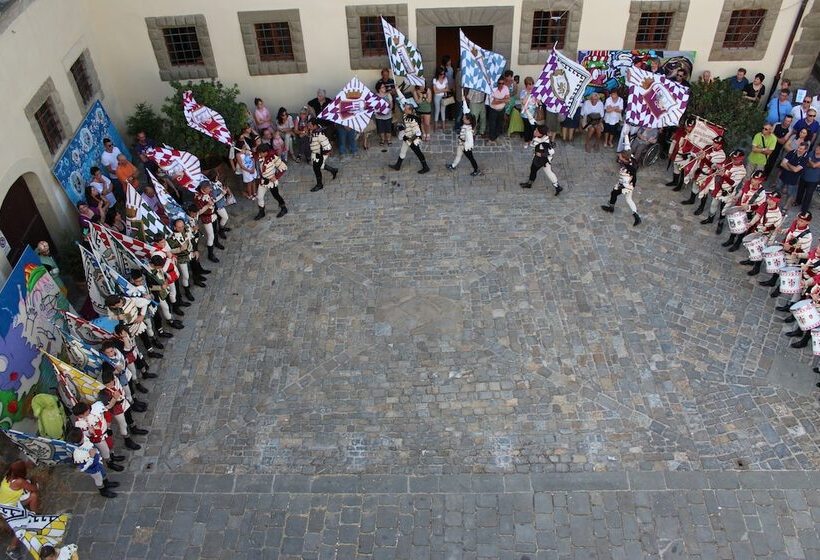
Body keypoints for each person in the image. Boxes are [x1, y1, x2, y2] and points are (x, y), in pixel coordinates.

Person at [760, 211, 812, 295]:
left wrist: (791, 248)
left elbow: (804, 253)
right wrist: (781, 231)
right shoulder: (795, 224)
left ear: (808, 222)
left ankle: (779, 290)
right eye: (798, 219)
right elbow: (789, 231)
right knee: (778, 266)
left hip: (792, 257)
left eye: (802, 221)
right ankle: (772, 281)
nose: (799, 222)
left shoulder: (807, 237)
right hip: (783, 250)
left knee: (785, 273)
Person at [697, 149, 747, 233]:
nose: (733, 160)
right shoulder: (728, 162)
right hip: (719, 188)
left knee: (723, 210)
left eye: (736, 159)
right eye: (732, 158)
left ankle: (720, 225)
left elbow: (733, 183)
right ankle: (710, 218)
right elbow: (715, 167)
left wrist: (723, 175)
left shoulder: (742, 171)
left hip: (728, 193)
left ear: (741, 159)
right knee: (713, 205)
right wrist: (710, 163)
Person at [66, 427, 119, 498]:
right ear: (81, 437)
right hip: (92, 468)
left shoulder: (82, 438)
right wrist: (91, 457)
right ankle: (103, 491)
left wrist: (89, 432)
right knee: (98, 479)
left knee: (103, 472)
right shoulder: (78, 454)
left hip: (97, 461)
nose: (83, 434)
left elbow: (86, 434)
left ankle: (106, 483)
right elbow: (83, 468)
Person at [72, 401, 125, 471]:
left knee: (110, 445)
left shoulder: (96, 408)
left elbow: (105, 413)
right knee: (105, 451)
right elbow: (82, 434)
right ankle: (109, 463)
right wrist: (89, 432)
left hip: (105, 431)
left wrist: (108, 424)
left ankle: (112, 456)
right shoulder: (79, 423)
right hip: (98, 439)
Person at [729, 191, 783, 256]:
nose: (768, 199)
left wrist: (766, 228)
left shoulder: (778, 214)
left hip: (765, 234)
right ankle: (738, 245)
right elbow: (758, 215)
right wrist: (751, 223)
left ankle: (755, 260)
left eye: (771, 199)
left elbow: (775, 226)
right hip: (756, 227)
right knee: (748, 240)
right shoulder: (764, 205)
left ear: (776, 201)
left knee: (758, 248)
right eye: (768, 198)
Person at [681, 136, 726, 205]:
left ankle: (701, 207)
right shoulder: (708, 147)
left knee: (704, 191)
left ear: (720, 145)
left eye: (716, 143)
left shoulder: (722, 155)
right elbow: (699, 155)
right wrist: (694, 154)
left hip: (708, 175)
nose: (713, 143)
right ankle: (691, 200)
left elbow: (712, 165)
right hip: (700, 170)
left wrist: (703, 157)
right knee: (695, 186)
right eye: (714, 141)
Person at [519, 124, 562, 195]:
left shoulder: (544, 142)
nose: (535, 131)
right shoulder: (541, 137)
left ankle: (557, 187)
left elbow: (551, 151)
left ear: (541, 133)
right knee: (536, 170)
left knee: (543, 171)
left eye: (536, 131)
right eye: (535, 130)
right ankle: (557, 187)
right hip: (539, 159)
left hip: (542, 160)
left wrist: (541, 154)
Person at [601, 151, 641, 226]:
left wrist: (618, 188)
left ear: (624, 159)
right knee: (627, 198)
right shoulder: (631, 158)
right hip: (630, 183)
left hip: (626, 185)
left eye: (620, 157)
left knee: (615, 193)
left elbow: (625, 183)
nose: (619, 156)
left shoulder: (626, 171)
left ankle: (611, 208)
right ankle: (636, 217)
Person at [389, 102, 429, 174]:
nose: (404, 110)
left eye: (406, 109)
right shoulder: (405, 115)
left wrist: (409, 140)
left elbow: (418, 133)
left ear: (410, 110)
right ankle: (398, 166)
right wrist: (402, 127)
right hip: (407, 137)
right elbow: (406, 126)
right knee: (403, 150)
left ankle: (425, 167)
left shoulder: (413, 120)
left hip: (413, 140)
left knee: (418, 153)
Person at [255, 143, 288, 219]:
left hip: (271, 182)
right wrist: (245, 152)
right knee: (259, 197)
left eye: (261, 153)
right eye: (259, 153)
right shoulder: (259, 155)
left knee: (276, 195)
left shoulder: (274, 158)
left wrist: (276, 177)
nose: (259, 154)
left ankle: (284, 208)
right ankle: (261, 212)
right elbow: (252, 154)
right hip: (263, 181)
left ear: (266, 152)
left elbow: (284, 167)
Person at [193, 180, 223, 263]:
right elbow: (199, 212)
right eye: (208, 188)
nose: (210, 189)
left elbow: (213, 200)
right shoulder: (198, 198)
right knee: (211, 236)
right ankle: (211, 254)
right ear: (203, 189)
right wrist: (208, 205)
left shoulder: (209, 193)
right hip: (206, 218)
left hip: (213, 214)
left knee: (215, 230)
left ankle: (216, 242)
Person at [167, 219, 196, 302]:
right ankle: (187, 291)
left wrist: (195, 250)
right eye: (179, 227)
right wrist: (179, 249)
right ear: (175, 227)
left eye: (182, 226)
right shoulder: (171, 238)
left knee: (194, 266)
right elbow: (169, 251)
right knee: (186, 275)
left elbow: (191, 238)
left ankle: (196, 279)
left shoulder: (186, 230)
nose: (181, 229)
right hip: (181, 257)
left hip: (190, 252)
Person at [665, 117, 697, 190]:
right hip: (678, 153)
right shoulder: (680, 131)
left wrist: (690, 154)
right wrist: (670, 152)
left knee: (683, 171)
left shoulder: (695, 136)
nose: (688, 128)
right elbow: (674, 142)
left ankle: (680, 185)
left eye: (690, 127)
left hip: (687, 156)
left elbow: (695, 148)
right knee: (676, 167)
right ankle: (675, 181)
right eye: (688, 126)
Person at [779, 142, 810, 209]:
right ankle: (776, 202)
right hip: (784, 175)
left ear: (805, 150)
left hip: (794, 179)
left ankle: (786, 207)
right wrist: (792, 169)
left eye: (801, 149)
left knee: (790, 193)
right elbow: (782, 164)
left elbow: (796, 170)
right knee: (779, 188)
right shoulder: (792, 152)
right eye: (798, 147)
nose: (798, 149)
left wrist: (788, 164)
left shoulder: (805, 158)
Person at [308, 122, 339, 191]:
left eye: (310, 125)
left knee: (316, 168)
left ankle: (319, 185)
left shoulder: (320, 134)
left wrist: (322, 155)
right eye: (308, 125)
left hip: (319, 154)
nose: (309, 127)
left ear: (315, 125)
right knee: (320, 166)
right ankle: (333, 170)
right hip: (315, 153)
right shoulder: (313, 132)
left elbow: (328, 147)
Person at [796, 144, 820, 212]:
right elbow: (805, 162)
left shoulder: (810, 154)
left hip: (814, 179)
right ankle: (798, 201)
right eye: (817, 147)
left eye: (819, 149)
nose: (817, 149)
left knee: (808, 194)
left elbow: (814, 165)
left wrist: (809, 161)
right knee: (800, 190)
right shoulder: (811, 152)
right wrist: (813, 165)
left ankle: (804, 209)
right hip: (804, 175)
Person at [487, 77, 510, 143]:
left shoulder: (505, 88)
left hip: (502, 109)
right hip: (493, 110)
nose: (501, 85)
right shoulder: (492, 89)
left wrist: (498, 100)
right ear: (497, 83)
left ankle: (496, 136)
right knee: (492, 124)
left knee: (499, 124)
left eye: (503, 83)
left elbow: (508, 99)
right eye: (499, 83)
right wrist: (503, 100)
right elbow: (493, 102)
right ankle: (491, 138)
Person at [432, 67, 450, 132]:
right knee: (437, 110)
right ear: (438, 74)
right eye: (441, 74)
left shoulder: (445, 79)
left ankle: (443, 126)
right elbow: (435, 91)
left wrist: (439, 90)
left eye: (443, 74)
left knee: (443, 111)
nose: (443, 75)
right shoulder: (435, 80)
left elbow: (448, 89)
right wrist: (443, 90)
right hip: (437, 97)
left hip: (443, 97)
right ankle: (435, 126)